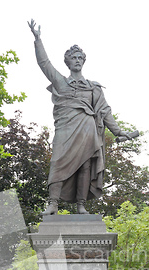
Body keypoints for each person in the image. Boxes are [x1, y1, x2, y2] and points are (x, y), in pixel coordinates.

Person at [28, 20, 132, 215]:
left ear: (83, 61)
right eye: (73, 58)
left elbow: (105, 111)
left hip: (87, 130)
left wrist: (118, 132)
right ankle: (53, 204)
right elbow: (44, 64)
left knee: (85, 165)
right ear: (67, 62)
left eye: (79, 58)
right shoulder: (61, 83)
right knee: (57, 161)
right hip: (65, 130)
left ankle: (81, 205)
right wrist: (38, 40)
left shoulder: (93, 88)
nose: (77, 60)